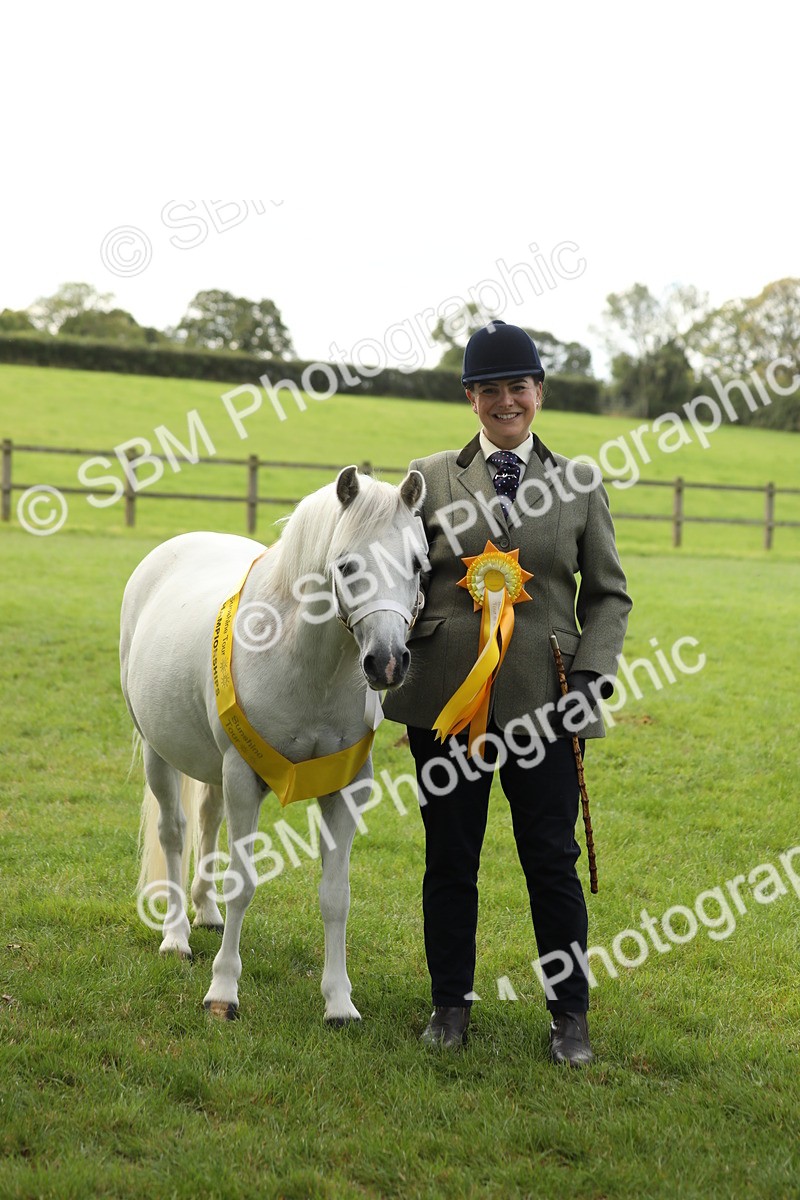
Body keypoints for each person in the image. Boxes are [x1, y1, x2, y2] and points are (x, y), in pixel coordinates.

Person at [382, 321, 632, 1066]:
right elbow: (396, 576)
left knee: (549, 860)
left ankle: (570, 1017)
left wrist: (591, 677)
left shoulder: (581, 483)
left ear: (539, 393)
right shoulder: (426, 477)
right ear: (470, 398)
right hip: (445, 704)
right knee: (449, 857)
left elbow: (610, 596)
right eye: (489, 388)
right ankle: (450, 1006)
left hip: (545, 702)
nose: (505, 400)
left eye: (517, 386)